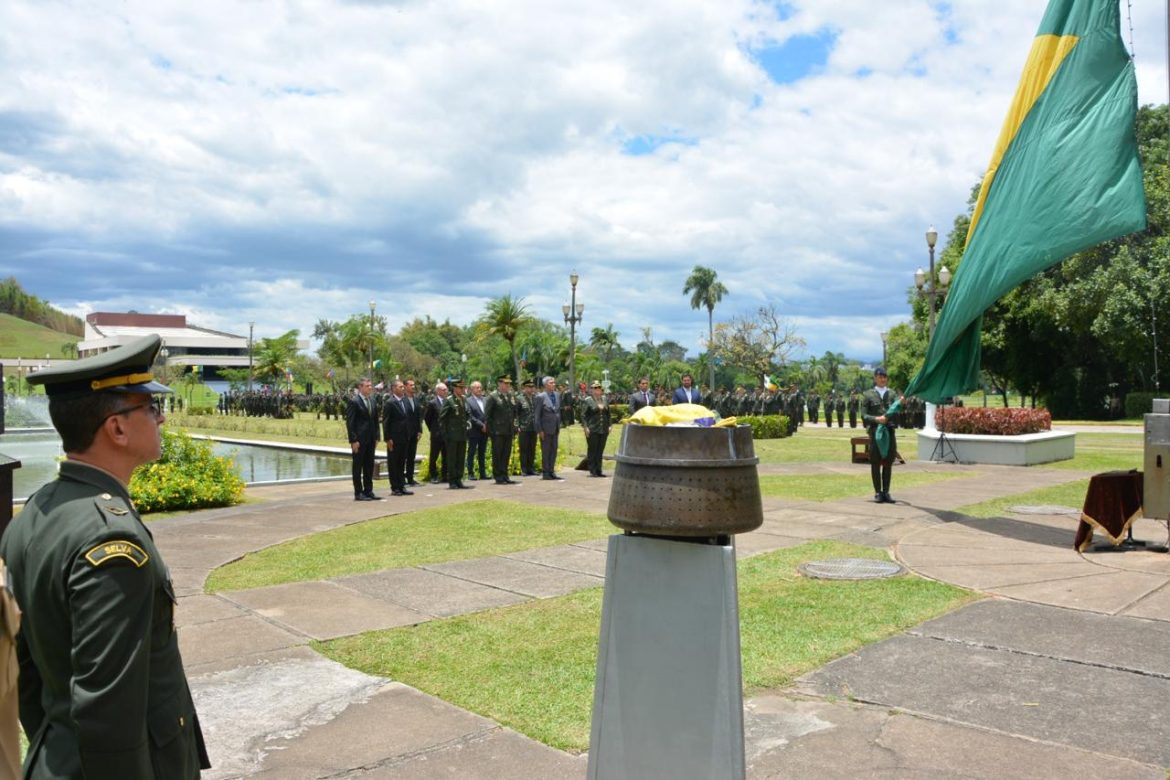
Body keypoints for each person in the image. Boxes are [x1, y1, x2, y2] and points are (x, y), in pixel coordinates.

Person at [0, 334, 210, 778]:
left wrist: (57, 745)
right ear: (116, 428)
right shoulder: (112, 542)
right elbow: (108, 708)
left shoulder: (36, 512)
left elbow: (29, 671)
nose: (160, 420)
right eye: (151, 408)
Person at [862, 367, 901, 504]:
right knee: (875, 461)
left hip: (889, 431)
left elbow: (897, 409)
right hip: (875, 432)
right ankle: (878, 492)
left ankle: (886, 492)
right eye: (880, 376)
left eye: (884, 377)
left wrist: (902, 403)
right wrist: (876, 419)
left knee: (889, 462)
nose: (882, 379)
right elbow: (864, 415)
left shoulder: (892, 394)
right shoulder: (868, 395)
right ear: (875, 378)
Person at [346, 377, 381, 501]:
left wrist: (377, 436)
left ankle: (368, 490)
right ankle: (358, 492)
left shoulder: (372, 400)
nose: (370, 388)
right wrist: (353, 440)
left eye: (371, 386)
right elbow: (350, 423)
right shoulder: (354, 401)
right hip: (359, 440)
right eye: (367, 386)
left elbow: (376, 420)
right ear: (360, 387)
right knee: (358, 466)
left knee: (369, 466)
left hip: (371, 439)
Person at [484, 375, 519, 485]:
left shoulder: (510, 396)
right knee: (497, 454)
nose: (508, 385)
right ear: (499, 384)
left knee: (506, 454)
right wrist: (491, 431)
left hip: (508, 430)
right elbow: (487, 415)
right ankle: (498, 476)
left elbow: (513, 412)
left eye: (509, 383)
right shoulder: (493, 396)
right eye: (505, 383)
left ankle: (505, 475)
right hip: (497, 431)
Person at [381, 380, 414, 496]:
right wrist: (387, 438)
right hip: (394, 438)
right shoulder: (390, 402)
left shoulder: (405, 400)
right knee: (394, 463)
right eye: (400, 387)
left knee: (401, 463)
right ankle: (395, 487)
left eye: (403, 387)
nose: (403, 389)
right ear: (394, 388)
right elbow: (386, 422)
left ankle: (401, 486)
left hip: (404, 437)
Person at [440, 379, 473, 489]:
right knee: (452, 459)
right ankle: (452, 481)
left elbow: (466, 415)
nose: (463, 389)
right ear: (454, 388)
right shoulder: (449, 400)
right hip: (452, 435)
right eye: (460, 388)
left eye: (463, 387)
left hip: (462, 434)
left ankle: (458, 479)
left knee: (460, 458)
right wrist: (445, 435)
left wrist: (468, 422)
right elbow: (442, 419)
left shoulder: (463, 399)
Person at [533, 376, 563, 480]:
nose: (553, 384)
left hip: (555, 428)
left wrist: (559, 426)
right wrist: (540, 430)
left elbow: (558, 411)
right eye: (551, 383)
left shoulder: (557, 395)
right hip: (545, 429)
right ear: (545, 385)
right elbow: (537, 416)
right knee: (546, 451)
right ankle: (546, 472)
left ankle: (551, 471)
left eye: (554, 382)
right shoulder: (540, 397)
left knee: (553, 450)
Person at [581, 380, 612, 477]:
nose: (597, 390)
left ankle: (599, 470)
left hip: (603, 428)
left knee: (600, 450)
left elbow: (608, 414)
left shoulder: (605, 399)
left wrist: (610, 425)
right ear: (592, 390)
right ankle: (592, 470)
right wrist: (585, 427)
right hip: (593, 428)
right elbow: (583, 415)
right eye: (595, 388)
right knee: (592, 450)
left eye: (599, 388)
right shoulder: (588, 400)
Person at [424, 382, 448, 484]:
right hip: (436, 434)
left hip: (447, 434)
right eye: (444, 390)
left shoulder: (448, 401)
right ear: (438, 391)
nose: (446, 391)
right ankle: (433, 475)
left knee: (446, 456)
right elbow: (427, 418)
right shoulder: (432, 403)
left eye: (446, 389)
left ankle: (445, 475)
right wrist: (433, 429)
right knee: (434, 456)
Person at [465, 380, 489, 480]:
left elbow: (488, 414)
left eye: (480, 387)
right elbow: (470, 416)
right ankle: (470, 473)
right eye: (477, 387)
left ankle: (483, 473)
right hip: (474, 431)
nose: (479, 389)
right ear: (471, 389)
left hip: (485, 430)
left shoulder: (485, 399)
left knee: (482, 452)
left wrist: (487, 425)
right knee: (472, 452)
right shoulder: (468, 401)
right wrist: (481, 425)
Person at [402, 379, 424, 487]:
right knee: (403, 457)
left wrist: (420, 430)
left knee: (411, 457)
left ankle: (410, 478)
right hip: (404, 433)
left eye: (414, 385)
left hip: (414, 433)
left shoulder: (416, 400)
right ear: (405, 386)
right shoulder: (402, 400)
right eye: (411, 385)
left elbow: (418, 417)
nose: (413, 387)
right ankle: (401, 479)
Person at [516, 378, 539, 477]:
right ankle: (524, 469)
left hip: (533, 427)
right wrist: (517, 425)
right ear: (524, 388)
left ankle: (531, 468)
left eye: (532, 387)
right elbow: (516, 413)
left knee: (532, 448)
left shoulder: (535, 398)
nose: (531, 389)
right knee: (524, 449)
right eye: (529, 387)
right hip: (524, 427)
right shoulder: (519, 398)